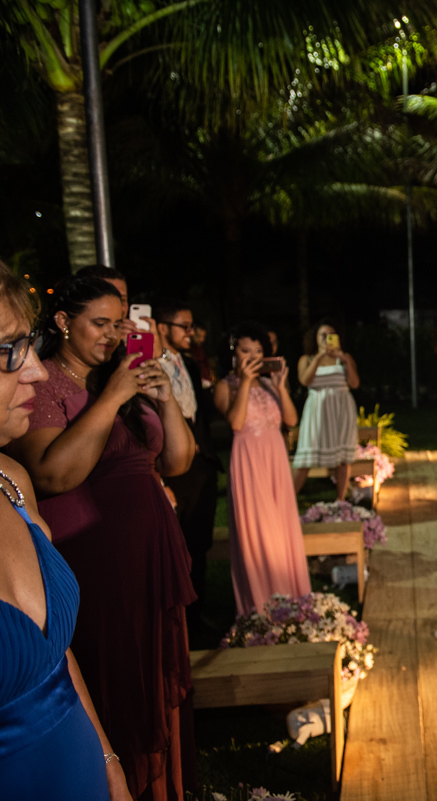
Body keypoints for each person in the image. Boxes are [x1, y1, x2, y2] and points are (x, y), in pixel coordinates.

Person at [9, 275, 198, 798]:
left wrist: (164, 399)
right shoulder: (47, 384)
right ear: (64, 322)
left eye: (118, 324)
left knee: (155, 676)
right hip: (96, 559)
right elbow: (53, 475)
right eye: (99, 323)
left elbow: (179, 461)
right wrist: (113, 396)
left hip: (152, 556)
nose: (113, 335)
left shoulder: (121, 379)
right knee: (118, 678)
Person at [0, 266, 133, 801]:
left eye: (28, 346)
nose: (35, 371)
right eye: (9, 351)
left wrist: (107, 760)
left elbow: (56, 655)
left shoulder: (12, 481)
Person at [214, 322, 310, 618]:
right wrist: (244, 382)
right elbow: (236, 423)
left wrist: (280, 387)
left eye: (258, 351)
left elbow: (291, 420)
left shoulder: (270, 385)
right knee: (258, 532)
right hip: (248, 462)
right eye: (246, 351)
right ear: (233, 353)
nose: (253, 356)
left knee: (281, 529)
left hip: (275, 461)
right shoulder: (225, 386)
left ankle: (292, 598)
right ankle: (261, 606)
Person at [156, 300, 223, 630]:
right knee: (172, 546)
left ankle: (197, 616)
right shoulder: (150, 365)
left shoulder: (192, 365)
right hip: (169, 467)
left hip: (200, 465)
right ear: (163, 327)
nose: (191, 332)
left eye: (192, 325)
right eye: (184, 326)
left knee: (199, 542)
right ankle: (173, 620)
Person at [292, 320, 360, 500]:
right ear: (315, 338)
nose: (326, 339)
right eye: (322, 335)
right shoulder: (307, 359)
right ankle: (288, 500)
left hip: (341, 410)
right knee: (306, 455)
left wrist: (345, 361)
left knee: (343, 458)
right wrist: (319, 358)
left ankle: (340, 500)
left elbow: (354, 383)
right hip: (317, 410)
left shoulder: (344, 358)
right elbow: (304, 381)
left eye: (330, 335)